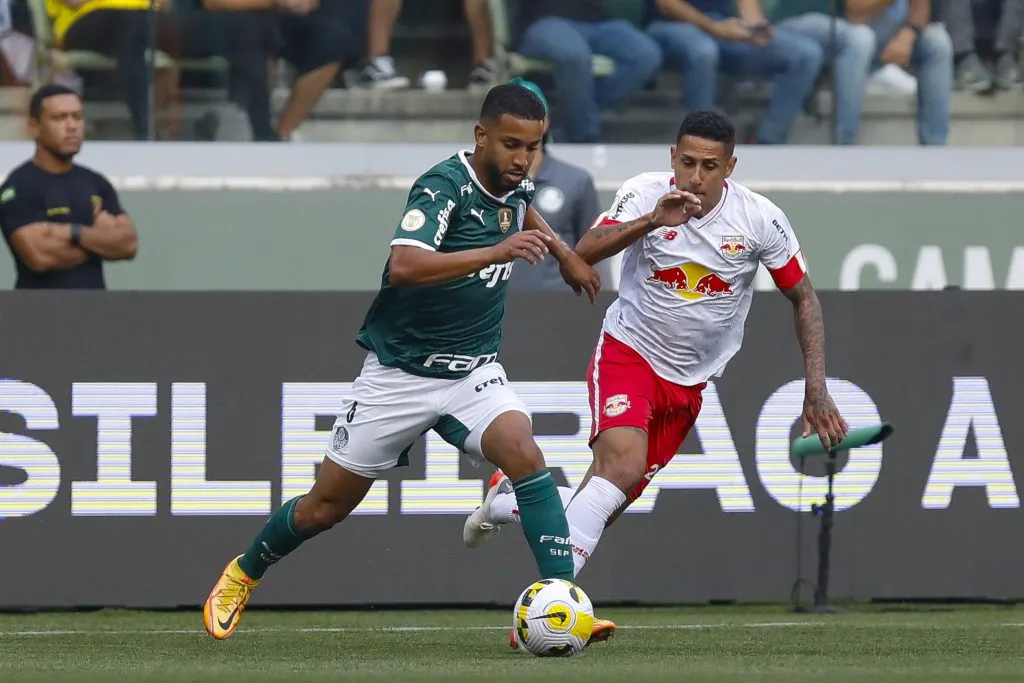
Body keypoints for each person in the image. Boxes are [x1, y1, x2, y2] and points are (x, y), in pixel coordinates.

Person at [202, 82, 613, 644]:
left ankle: (566, 605)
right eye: (511, 145)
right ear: (481, 136)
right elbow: (404, 266)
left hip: (471, 369)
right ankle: (244, 572)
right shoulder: (442, 187)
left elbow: (523, 210)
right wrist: (496, 252)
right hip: (400, 374)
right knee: (324, 508)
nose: (522, 160)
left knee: (524, 449)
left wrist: (565, 254)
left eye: (533, 147)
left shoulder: (516, 183)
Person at [463, 109, 849, 649]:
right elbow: (583, 254)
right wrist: (652, 221)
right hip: (630, 353)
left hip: (689, 385)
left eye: (709, 166)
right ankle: (551, 617)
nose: (695, 176)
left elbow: (803, 297)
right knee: (622, 465)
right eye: (686, 162)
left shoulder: (760, 220)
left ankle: (513, 501)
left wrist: (816, 385)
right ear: (672, 157)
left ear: (730, 167)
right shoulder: (646, 193)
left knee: (604, 501)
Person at [0, 84, 138, 289]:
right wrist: (99, 241)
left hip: (94, 313)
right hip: (39, 315)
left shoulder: (95, 182)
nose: (71, 125)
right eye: (59, 118)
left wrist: (71, 233)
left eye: (77, 117)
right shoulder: (19, 187)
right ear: (34, 127)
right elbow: (40, 256)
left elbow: (128, 244)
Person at [505, 78, 610, 293]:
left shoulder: (576, 181)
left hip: (560, 310)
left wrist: (604, 300)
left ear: (545, 122)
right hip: (495, 310)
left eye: (530, 115)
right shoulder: (481, 184)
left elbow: (598, 249)